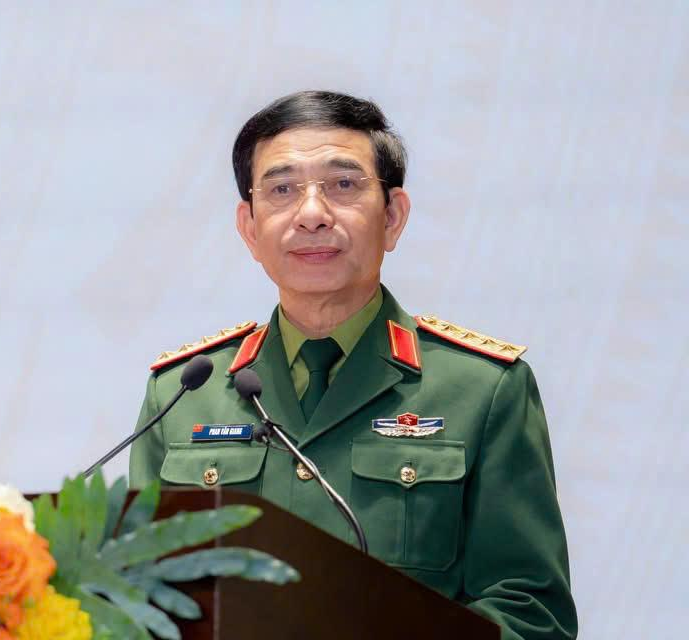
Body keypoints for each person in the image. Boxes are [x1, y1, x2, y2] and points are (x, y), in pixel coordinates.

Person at [128, 90, 577, 639]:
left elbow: (531, 613)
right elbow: (138, 599)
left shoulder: (483, 389)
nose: (312, 215)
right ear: (249, 227)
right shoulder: (182, 395)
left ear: (392, 216)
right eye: (282, 190)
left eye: (343, 185)